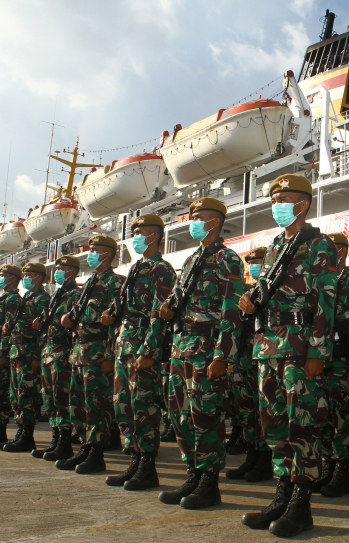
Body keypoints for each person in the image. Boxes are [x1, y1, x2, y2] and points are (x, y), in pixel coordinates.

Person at [239, 173, 336, 538]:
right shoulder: (277, 245)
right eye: (274, 198)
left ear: (303, 203)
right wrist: (250, 304)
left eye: (285, 198)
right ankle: (282, 493)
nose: (277, 204)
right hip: (269, 347)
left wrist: (317, 351)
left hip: (299, 346)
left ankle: (302, 503)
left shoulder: (318, 245)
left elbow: (325, 300)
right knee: (275, 425)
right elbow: (266, 295)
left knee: (303, 425)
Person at [156, 198, 243, 509]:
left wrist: (223, 356)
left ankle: (209, 483)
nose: (193, 221)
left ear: (215, 222)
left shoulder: (228, 260)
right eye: (192, 216)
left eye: (200, 217)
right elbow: (176, 301)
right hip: (181, 347)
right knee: (180, 415)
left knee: (206, 416)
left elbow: (231, 311)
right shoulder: (192, 260)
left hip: (207, 350)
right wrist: (166, 309)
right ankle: (193, 474)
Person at [103, 214, 176, 491]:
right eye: (134, 232)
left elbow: (160, 312)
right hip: (125, 342)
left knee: (144, 406)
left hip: (142, 344)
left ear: (154, 236)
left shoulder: (161, 269)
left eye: (141, 232)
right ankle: (134, 459)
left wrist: (149, 350)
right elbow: (123, 308)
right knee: (124, 404)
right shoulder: (137, 268)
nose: (135, 236)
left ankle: (147, 466)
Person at [57, 235, 123, 475]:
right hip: (80, 351)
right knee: (79, 403)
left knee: (97, 404)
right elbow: (77, 314)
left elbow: (115, 323)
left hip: (97, 352)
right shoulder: (89, 283)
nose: (91, 253)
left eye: (95, 250)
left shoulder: (115, 283)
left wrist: (108, 355)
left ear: (108, 253)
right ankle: (85, 446)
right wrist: (68, 318)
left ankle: (96, 453)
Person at [315, 233, 349, 498]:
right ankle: (328, 465)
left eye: (332, 250)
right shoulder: (320, 283)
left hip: (343, 362)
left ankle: (342, 472)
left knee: (342, 418)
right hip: (321, 361)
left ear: (343, 252)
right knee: (323, 416)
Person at [226, 246, 274, 483]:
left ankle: (264, 460)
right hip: (245, 359)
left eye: (257, 261)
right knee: (246, 411)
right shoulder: (249, 291)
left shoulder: (270, 290)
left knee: (262, 411)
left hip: (262, 358)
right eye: (250, 262)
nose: (252, 265)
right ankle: (252, 455)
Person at [33, 255, 82, 461]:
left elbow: (75, 324)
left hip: (63, 353)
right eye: (57, 268)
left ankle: (64, 443)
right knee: (50, 398)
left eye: (62, 268)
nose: (58, 272)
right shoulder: (57, 296)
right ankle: (55, 440)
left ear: (73, 271)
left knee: (63, 399)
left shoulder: (76, 295)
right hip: (49, 352)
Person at [0, 262, 51, 453]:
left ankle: (27, 436)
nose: (26, 278)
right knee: (17, 395)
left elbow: (43, 330)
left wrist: (38, 355)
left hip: (30, 353)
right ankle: (20, 433)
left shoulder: (42, 299)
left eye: (29, 274)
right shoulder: (27, 297)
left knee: (27, 395)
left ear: (38, 277)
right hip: (18, 351)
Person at [0, 266, 24, 448]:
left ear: (12, 278)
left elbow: (8, 329)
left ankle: (0, 429)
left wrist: (2, 352)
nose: (0, 278)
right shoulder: (2, 299)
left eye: (3, 276)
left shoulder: (13, 300)